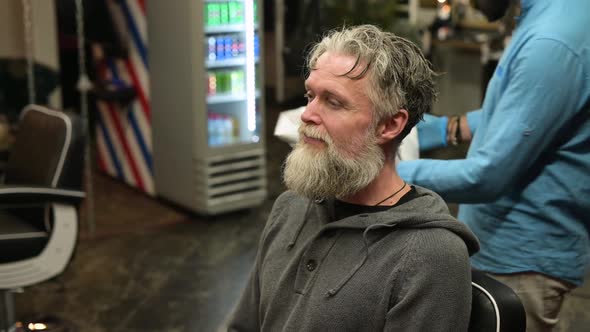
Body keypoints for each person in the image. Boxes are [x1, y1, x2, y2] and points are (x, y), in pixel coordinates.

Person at [227, 25, 479, 331]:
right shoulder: (291, 208)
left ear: (388, 125)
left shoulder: (429, 255)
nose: (307, 114)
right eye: (311, 95)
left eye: (333, 102)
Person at [397, 0, 590, 330]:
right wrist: (442, 130)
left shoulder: (550, 41)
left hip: (521, 260)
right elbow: (527, 112)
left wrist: (379, 173)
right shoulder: (558, 16)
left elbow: (485, 176)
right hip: (511, 248)